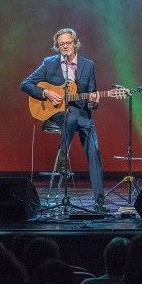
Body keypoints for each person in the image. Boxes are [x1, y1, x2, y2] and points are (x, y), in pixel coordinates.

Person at [21, 28, 105, 209]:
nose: (65, 47)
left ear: (75, 43)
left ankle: (99, 200)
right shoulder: (49, 63)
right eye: (61, 45)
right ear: (57, 47)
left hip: (83, 114)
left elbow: (91, 96)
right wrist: (46, 92)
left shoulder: (88, 65)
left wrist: (93, 102)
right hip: (57, 113)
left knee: (94, 152)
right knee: (69, 116)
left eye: (68, 43)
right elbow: (25, 84)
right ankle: (62, 156)